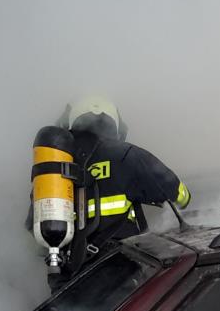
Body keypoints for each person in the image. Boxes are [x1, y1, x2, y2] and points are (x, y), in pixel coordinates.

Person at [55, 94, 191, 255]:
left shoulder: (57, 164)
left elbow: (33, 227)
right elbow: (181, 197)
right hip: (122, 265)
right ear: (114, 124)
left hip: (71, 269)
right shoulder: (126, 155)